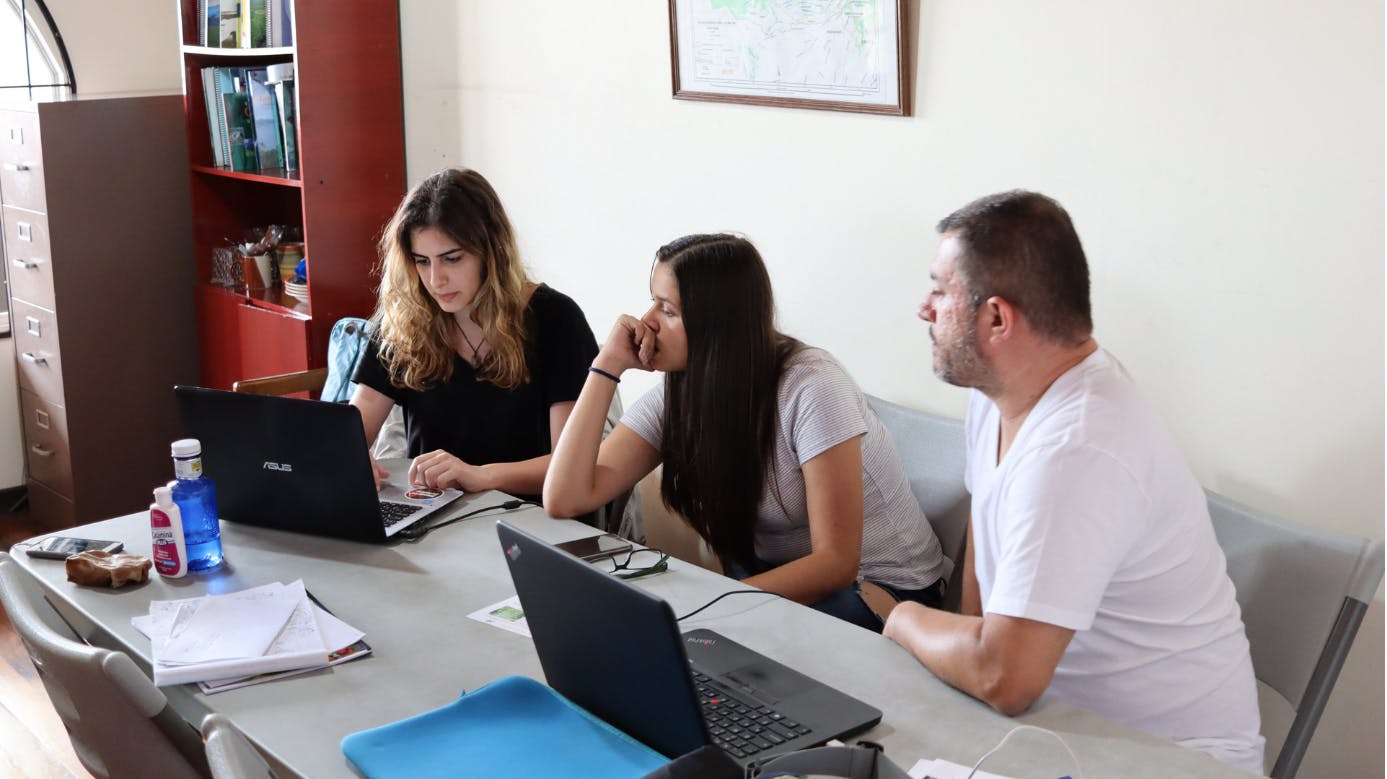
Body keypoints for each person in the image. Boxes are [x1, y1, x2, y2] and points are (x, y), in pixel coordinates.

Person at [885, 190, 1264, 771]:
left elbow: (1004, 678)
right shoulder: (1001, 394)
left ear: (996, 318)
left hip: (1170, 762)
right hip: (1053, 735)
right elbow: (985, 558)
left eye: (940, 290)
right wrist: (966, 662)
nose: (924, 309)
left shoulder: (1076, 449)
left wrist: (901, 618)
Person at [543, 233, 950, 631]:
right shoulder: (681, 391)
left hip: (882, 589)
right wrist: (606, 365)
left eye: (667, 310)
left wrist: (711, 602)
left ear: (717, 324)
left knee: (694, 638)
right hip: (771, 573)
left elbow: (836, 564)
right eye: (653, 301)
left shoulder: (812, 388)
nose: (646, 321)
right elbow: (565, 498)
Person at [350, 168, 598, 503]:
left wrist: (481, 476)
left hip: (524, 517)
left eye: (452, 259)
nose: (435, 280)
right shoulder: (406, 319)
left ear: (491, 251)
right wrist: (349, 454)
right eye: (422, 261)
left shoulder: (556, 319)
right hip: (433, 512)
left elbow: (571, 466)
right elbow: (354, 428)